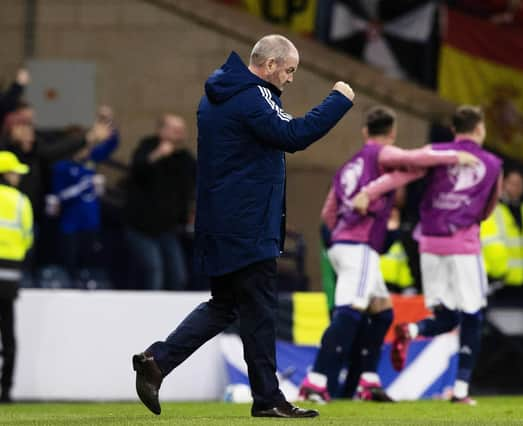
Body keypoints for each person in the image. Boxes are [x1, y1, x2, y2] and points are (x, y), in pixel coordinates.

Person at [132, 34, 354, 418]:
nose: (290, 79)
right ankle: (268, 399)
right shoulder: (254, 96)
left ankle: (158, 360)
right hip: (248, 225)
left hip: (220, 222)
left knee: (225, 305)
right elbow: (294, 135)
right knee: (260, 312)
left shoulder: (216, 96)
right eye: (289, 70)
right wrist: (338, 100)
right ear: (269, 66)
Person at [298, 106, 478, 403]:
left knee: (382, 313)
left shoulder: (348, 166)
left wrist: (338, 237)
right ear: (392, 133)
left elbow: (327, 213)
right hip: (359, 246)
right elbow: (414, 159)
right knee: (347, 313)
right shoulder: (380, 154)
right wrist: (454, 156)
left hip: (342, 245)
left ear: (365, 132)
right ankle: (315, 382)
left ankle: (367, 381)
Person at [354, 105, 503, 405]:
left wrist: (368, 191)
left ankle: (411, 329)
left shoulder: (435, 153)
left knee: (446, 315)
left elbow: (401, 176)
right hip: (463, 244)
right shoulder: (492, 163)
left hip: (430, 243)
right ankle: (460, 390)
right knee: (473, 313)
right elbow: (489, 206)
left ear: (453, 130)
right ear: (479, 129)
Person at [123, 114, 196, 291]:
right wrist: (157, 155)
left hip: (168, 228)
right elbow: (137, 169)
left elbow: (193, 187)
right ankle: (150, 315)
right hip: (141, 227)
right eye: (174, 129)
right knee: (154, 270)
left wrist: (190, 212)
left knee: (178, 275)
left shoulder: (185, 158)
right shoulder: (147, 146)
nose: (179, 133)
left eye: (181, 129)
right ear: (161, 130)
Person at [49, 106, 119, 286]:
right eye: (85, 145)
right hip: (71, 224)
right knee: (71, 264)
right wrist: (84, 185)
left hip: (91, 222)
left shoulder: (91, 159)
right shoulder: (62, 166)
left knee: (90, 264)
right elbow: (59, 197)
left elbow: (112, 143)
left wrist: (107, 120)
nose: (89, 148)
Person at [0, 151, 33, 403]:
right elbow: (28, 238)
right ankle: (6, 391)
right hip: (9, 274)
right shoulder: (21, 201)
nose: (18, 176)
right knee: (8, 333)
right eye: (15, 172)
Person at [480, 168, 523, 300]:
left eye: (520, 184)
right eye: (513, 183)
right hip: (499, 279)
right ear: (503, 184)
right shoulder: (491, 208)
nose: (516, 188)